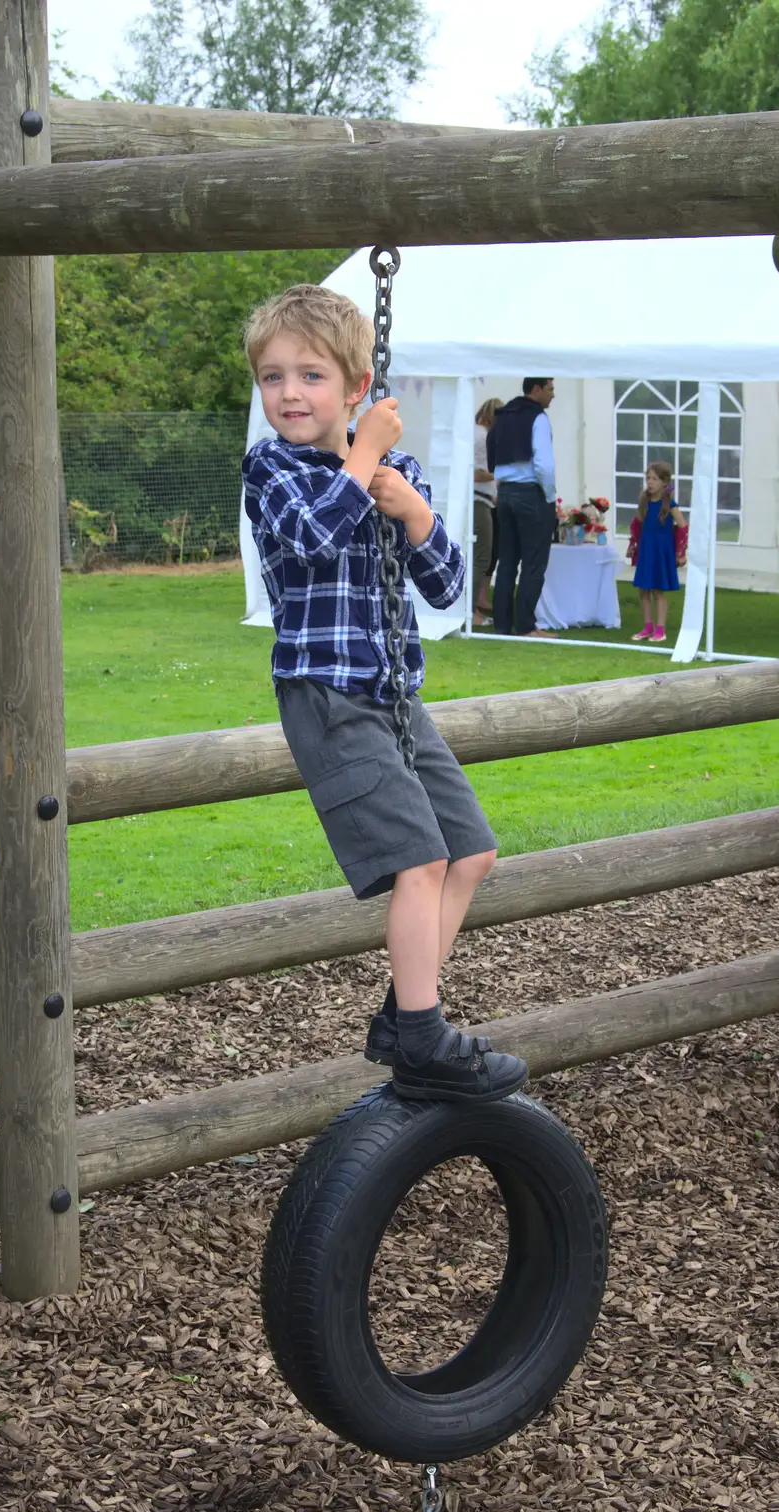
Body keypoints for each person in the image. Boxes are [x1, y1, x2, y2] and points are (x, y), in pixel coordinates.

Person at [241, 282, 528, 1104]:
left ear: (357, 386)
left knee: (470, 852)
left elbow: (447, 588)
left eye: (310, 375)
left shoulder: (391, 469)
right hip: (327, 696)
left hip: (394, 696)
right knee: (420, 859)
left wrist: (415, 516)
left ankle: (406, 1016)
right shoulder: (273, 468)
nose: (289, 394)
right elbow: (312, 534)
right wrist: (364, 456)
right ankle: (426, 1039)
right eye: (272, 377)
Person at [486, 378, 558, 636]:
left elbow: (491, 456)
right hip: (531, 494)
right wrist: (549, 498)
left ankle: (503, 625)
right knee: (533, 564)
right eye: (550, 389)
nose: (553, 395)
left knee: (507, 562)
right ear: (536, 390)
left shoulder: (502, 415)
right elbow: (544, 465)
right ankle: (526, 626)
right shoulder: (538, 418)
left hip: (505, 494)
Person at [626, 461, 687, 644]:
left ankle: (661, 630)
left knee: (658, 591)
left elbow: (683, 526)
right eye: (648, 478)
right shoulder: (644, 502)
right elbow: (637, 524)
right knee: (643, 590)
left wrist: (681, 552)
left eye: (654, 479)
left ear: (664, 482)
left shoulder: (669, 505)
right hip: (647, 550)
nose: (650, 482)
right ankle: (648, 627)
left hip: (661, 552)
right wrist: (633, 544)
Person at [472, 397, 502, 627]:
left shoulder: (476, 433)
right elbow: (477, 473)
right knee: (482, 556)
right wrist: (502, 474)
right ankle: (471, 611)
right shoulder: (483, 437)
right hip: (479, 500)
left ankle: (472, 608)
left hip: (481, 500)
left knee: (480, 556)